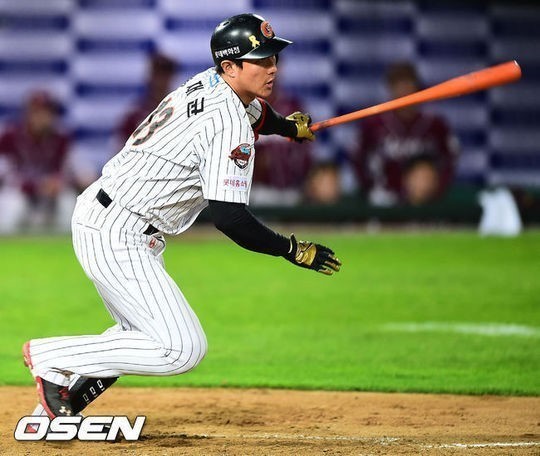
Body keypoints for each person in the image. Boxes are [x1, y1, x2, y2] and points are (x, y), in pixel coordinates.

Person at [23, 13, 341, 420]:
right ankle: (51, 357)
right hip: (117, 229)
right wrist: (291, 249)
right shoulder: (227, 124)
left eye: (273, 57)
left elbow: (257, 112)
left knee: (142, 334)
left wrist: (286, 128)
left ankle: (59, 402)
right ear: (230, 66)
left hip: (113, 218)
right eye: (261, 59)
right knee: (181, 349)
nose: (272, 67)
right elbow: (231, 219)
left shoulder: (210, 82)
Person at [353, 62, 459, 206]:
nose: (403, 90)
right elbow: (357, 157)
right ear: (390, 89)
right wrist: (370, 189)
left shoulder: (435, 124)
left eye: (408, 84)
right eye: (398, 85)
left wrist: (438, 190)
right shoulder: (374, 124)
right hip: (384, 201)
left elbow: (450, 159)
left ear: (417, 88)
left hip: (425, 202)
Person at [0, 91, 71, 232]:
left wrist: (59, 181)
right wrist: (35, 185)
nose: (42, 117)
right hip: (19, 192)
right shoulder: (10, 136)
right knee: (14, 204)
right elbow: (4, 172)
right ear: (28, 113)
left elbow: (71, 170)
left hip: (49, 197)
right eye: (37, 112)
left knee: (68, 202)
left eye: (47, 112)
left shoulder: (61, 139)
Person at [250, 82, 313, 206]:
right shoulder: (245, 107)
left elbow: (305, 149)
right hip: (259, 191)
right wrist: (257, 158)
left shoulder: (291, 107)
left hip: (292, 189)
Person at [117, 52, 179, 145]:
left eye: (165, 75)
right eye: (158, 74)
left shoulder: (181, 109)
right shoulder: (135, 114)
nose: (161, 80)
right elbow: (120, 148)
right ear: (150, 76)